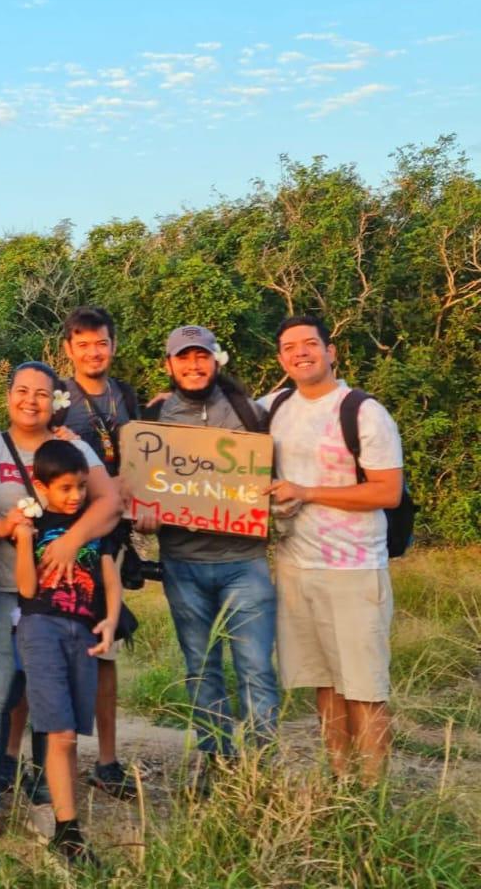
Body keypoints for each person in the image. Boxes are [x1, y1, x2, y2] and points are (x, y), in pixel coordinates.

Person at [0, 362, 119, 845]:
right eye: (22, 391)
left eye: (42, 394)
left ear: (56, 401)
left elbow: (109, 504)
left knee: (50, 696)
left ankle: (46, 799)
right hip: (2, 589)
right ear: (8, 396)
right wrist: (7, 529)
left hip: (64, 601)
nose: (31, 401)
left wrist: (70, 541)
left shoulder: (74, 447)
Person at [262, 315, 404, 782]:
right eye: (290, 347)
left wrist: (306, 491)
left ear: (331, 351)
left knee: (363, 687)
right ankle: (341, 782)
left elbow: (387, 492)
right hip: (296, 567)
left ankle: (373, 791)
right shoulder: (275, 405)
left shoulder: (363, 411)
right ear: (281, 358)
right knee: (323, 684)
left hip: (354, 568)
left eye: (310, 344)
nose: (300, 352)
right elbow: (219, 423)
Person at [137, 326, 279, 790]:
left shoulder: (249, 412)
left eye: (201, 357)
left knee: (255, 668)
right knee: (201, 669)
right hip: (183, 564)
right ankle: (216, 764)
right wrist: (145, 515)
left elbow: (270, 481)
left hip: (245, 562)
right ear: (169, 364)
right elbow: (143, 488)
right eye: (184, 358)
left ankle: (260, 772)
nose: (193, 366)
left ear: (216, 360)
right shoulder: (154, 416)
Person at [13, 440, 121, 868]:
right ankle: (67, 828)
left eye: (80, 487)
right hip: (41, 627)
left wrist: (111, 620)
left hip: (83, 631)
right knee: (58, 732)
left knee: (72, 734)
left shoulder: (94, 529)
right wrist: (23, 539)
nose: (75, 496)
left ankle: (66, 822)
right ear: (41, 486)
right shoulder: (36, 524)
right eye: (65, 489)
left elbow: (109, 578)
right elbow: (25, 588)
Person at [57, 305, 140, 799]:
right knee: (46, 647)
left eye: (101, 342)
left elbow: (149, 462)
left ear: (113, 345)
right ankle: (33, 760)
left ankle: (106, 760)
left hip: (111, 539)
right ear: (68, 349)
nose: (93, 351)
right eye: (83, 343)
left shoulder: (126, 397)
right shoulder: (57, 398)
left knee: (104, 649)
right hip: (64, 538)